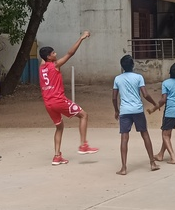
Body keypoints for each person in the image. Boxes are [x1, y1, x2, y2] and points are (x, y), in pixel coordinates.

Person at [39, 31, 99, 166]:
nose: (56, 54)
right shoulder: (55, 65)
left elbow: (43, 57)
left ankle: (57, 156)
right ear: (49, 57)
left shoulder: (41, 67)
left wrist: (45, 54)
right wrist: (81, 38)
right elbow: (70, 53)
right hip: (58, 100)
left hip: (48, 104)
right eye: (53, 53)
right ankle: (83, 145)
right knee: (84, 115)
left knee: (59, 127)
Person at [112, 55, 160, 175]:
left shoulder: (117, 79)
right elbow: (145, 94)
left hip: (125, 111)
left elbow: (114, 97)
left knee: (124, 138)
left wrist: (116, 110)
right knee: (145, 134)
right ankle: (152, 163)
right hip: (137, 110)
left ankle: (123, 168)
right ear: (133, 65)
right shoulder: (138, 77)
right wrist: (154, 103)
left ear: (122, 66)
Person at [147, 62, 175, 164]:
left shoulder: (166, 83)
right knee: (167, 133)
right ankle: (161, 154)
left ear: (169, 72)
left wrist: (154, 108)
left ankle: (172, 157)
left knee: (165, 135)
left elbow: (163, 100)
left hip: (170, 111)